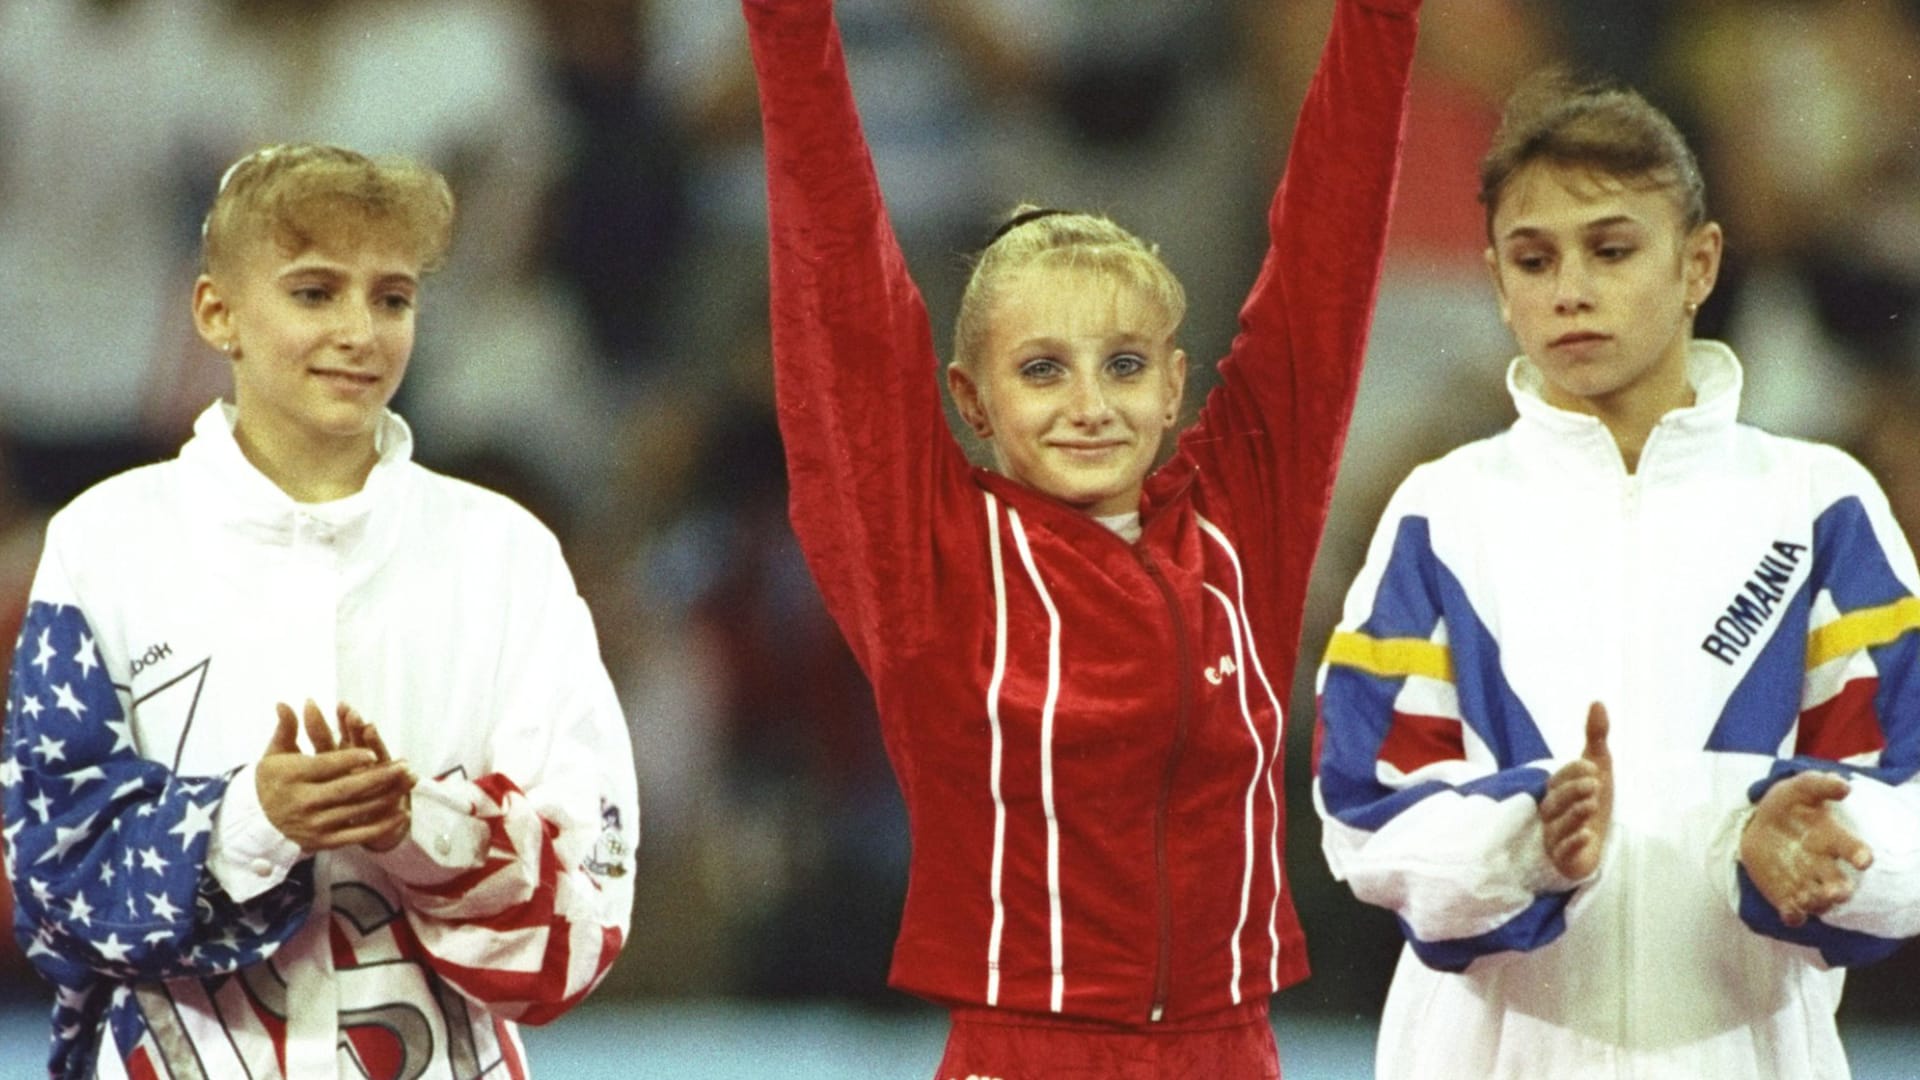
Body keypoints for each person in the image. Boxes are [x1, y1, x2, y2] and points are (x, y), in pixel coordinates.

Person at [744, 0, 1419, 1074]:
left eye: (1125, 365)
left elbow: (1326, 263)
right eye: (1042, 369)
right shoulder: (929, 560)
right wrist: (789, 29)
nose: (1089, 405)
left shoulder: (1241, 522)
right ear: (971, 401)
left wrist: (1382, 19)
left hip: (1231, 1048)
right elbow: (839, 279)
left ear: (1174, 390)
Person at [1312, 71, 1920, 1079]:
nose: (1570, 289)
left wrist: (1806, 856)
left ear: (1699, 262)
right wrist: (1524, 844)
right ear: (1498, 284)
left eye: (1611, 248)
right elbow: (1364, 808)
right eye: (1533, 258)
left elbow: (1905, 790)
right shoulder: (1444, 513)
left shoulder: (1816, 507)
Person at [1, 144, 639, 1080]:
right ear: (216, 312)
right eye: (313, 292)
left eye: (392, 298)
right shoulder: (104, 544)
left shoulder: (506, 554)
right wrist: (249, 819)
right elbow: (51, 881)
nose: (360, 332)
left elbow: (589, 912)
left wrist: (415, 827)